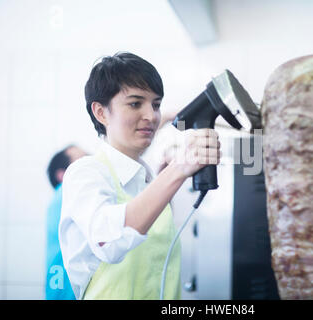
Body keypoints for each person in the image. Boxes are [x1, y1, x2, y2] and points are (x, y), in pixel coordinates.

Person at [59, 52, 221, 300]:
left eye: (155, 104)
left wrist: (167, 178)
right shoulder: (86, 172)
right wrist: (179, 170)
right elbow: (109, 242)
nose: (152, 116)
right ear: (101, 112)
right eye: (136, 104)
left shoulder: (150, 181)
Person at [46, 145, 86, 300]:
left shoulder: (58, 200)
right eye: (81, 161)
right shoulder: (66, 192)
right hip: (64, 290)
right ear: (62, 175)